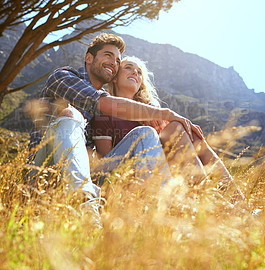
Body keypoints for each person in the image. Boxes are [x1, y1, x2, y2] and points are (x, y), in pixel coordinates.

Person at [27, 33, 203, 205]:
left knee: (145, 134)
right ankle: (84, 203)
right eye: (108, 55)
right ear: (89, 58)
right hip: (43, 170)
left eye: (118, 61)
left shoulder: (104, 100)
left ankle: (163, 210)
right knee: (70, 115)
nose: (114, 63)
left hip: (89, 175)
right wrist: (166, 113)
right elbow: (106, 103)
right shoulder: (64, 77)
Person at [92, 56, 238, 193]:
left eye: (139, 72)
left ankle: (237, 199)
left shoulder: (152, 116)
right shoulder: (105, 111)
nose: (135, 73)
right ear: (115, 78)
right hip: (125, 174)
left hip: (160, 170)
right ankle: (206, 195)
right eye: (128, 68)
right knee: (163, 130)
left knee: (186, 133)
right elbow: (105, 161)